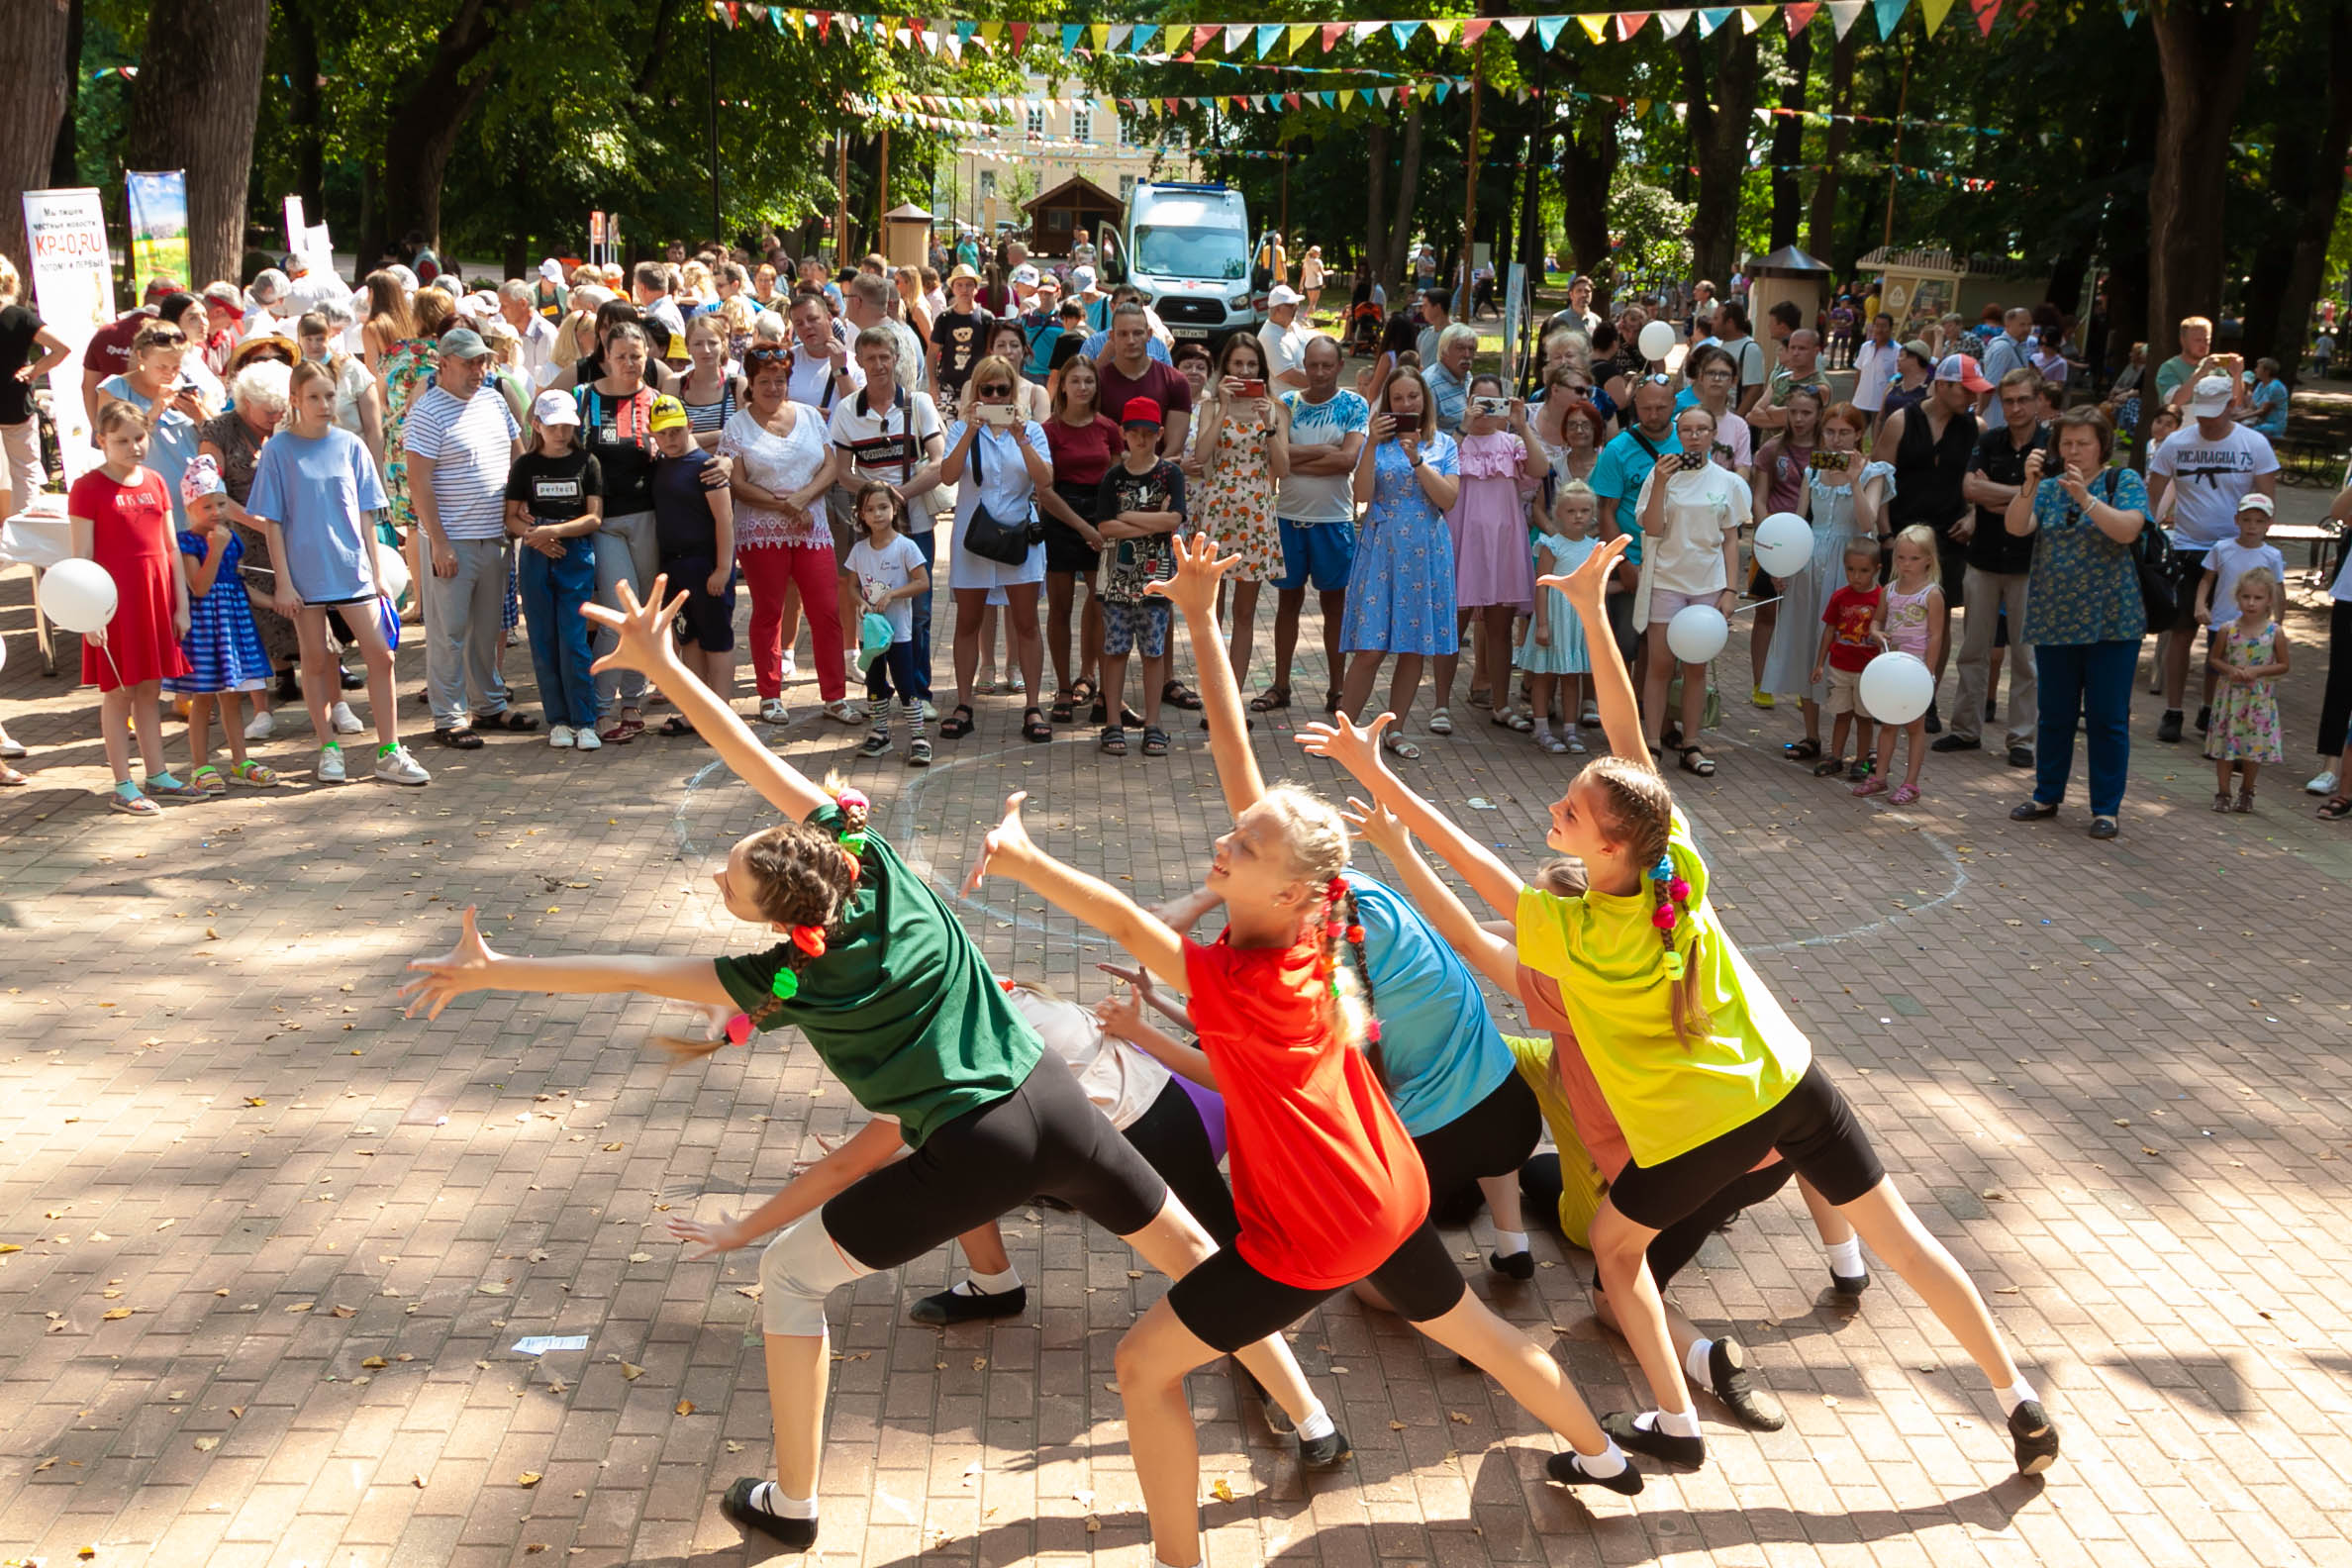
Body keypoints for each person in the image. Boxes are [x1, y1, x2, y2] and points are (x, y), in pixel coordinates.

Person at [403, 594, 1328, 1556]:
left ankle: (793, 1503)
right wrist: (669, 671)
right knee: (1194, 1259)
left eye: (732, 881)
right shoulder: (871, 863)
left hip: (979, 1147)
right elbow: (751, 763)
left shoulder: (776, 981)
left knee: (789, 1279)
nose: (721, 881)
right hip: (1056, 1097)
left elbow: (629, 972)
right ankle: (1312, 1420)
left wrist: (498, 972)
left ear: (775, 916)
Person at [1318, 539, 2063, 1481]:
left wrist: (1380, 785)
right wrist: (1593, 615)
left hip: (1702, 1131)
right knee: (1905, 1242)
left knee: (1617, 1264)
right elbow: (1632, 749)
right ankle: (2018, 1400)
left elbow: (1474, 881)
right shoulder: (1679, 872)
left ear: (1610, 847)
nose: (1556, 810)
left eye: (1572, 813)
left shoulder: (1570, 930)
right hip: (1792, 1083)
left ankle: (1677, 1420)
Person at [963, 543, 1642, 1568]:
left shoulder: (1241, 980)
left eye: (1242, 850)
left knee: (1144, 1366)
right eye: (1236, 837)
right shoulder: (1315, 924)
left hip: (1317, 1230)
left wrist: (1024, 859)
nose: (1225, 846)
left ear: (1285, 891)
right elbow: (1246, 785)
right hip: (1386, 1191)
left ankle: (1178, 1559)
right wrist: (1200, 617)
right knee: (1487, 1340)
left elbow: (1121, 918)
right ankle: (1601, 1456)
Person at [248, 358, 430, 786]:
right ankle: (328, 747)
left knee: (381, 654)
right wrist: (284, 580)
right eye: (313, 396)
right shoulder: (278, 450)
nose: (324, 404)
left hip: (353, 571)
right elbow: (272, 522)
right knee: (315, 660)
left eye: (329, 395)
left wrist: (378, 572)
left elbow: (367, 515)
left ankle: (389, 750)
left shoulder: (351, 445)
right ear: (294, 400)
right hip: (304, 573)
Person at [2005, 407, 2149, 840]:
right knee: (2054, 715)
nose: (2073, 451)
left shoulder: (2122, 482)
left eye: (2082, 443)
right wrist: (2029, 486)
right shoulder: (2048, 488)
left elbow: (2127, 530)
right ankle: (2047, 794)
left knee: (2107, 718)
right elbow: (2016, 527)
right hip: (2055, 618)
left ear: (2101, 445)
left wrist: (2086, 498)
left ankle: (2106, 808)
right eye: (2066, 443)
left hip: (2112, 621)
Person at [70, 401, 197, 815]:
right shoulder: (88, 488)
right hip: (112, 604)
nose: (132, 447)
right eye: (121, 440)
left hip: (155, 598)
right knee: (118, 692)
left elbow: (171, 547)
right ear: (102, 441)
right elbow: (82, 558)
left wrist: (181, 606)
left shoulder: (157, 481)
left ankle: (157, 773)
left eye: (138, 438)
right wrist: (90, 613)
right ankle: (122, 782)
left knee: (150, 688)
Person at [405, 327, 526, 749]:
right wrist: (438, 542)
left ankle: (489, 705)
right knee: (448, 631)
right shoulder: (427, 411)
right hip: (452, 538)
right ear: (445, 363)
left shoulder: (494, 400)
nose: (480, 369)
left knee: (487, 628)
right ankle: (449, 715)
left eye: (483, 361)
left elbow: (517, 453)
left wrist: (519, 505)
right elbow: (418, 481)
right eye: (471, 362)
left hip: (493, 536)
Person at [2146, 375, 2280, 741]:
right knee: (2181, 631)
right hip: (2188, 548)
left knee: (2225, 635)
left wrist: (2257, 546)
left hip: (2237, 553)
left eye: (2214, 414)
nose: (2206, 422)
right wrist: (2150, 534)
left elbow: (2267, 500)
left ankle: (2211, 708)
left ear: (2231, 405)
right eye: (2201, 415)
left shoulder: (2254, 444)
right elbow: (2153, 493)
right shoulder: (2176, 442)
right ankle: (2173, 710)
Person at [1337, 367, 1461, 757]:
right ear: (1387, 404)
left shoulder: (1443, 444)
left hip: (1426, 551)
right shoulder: (1376, 443)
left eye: (1413, 397)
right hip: (1381, 548)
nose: (1406, 404)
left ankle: (1395, 730)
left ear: (1425, 400)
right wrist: (1372, 444)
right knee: (1370, 648)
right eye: (1398, 398)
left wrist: (1418, 461)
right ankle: (1343, 732)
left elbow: (1448, 500)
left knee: (1413, 647)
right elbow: (1360, 495)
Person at [826, 329, 945, 715]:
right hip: (872, 522)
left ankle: (920, 694)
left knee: (920, 606)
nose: (878, 365)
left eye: (885, 357)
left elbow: (939, 462)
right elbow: (843, 472)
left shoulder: (919, 403)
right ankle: (880, 690)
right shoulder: (847, 411)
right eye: (870, 357)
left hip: (915, 517)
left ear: (896, 359)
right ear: (858, 361)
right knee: (874, 601)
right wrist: (876, 498)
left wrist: (900, 497)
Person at [1766, 403, 1889, 767]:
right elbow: (1800, 521)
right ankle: (1812, 735)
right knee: (1809, 643)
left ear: (1858, 435)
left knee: (1849, 646)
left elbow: (1868, 525)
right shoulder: (1813, 470)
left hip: (1851, 565)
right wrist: (1783, 564)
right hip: (1810, 564)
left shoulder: (1875, 472)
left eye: (1844, 433)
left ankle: (1856, 742)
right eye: (1830, 433)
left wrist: (1854, 479)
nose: (1836, 441)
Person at [723, 343, 839, 727]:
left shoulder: (808, 415)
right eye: (764, 381)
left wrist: (804, 498)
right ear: (750, 385)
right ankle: (769, 694)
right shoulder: (737, 425)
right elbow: (737, 484)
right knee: (769, 612)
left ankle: (835, 696)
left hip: (812, 526)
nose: (773, 388)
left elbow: (830, 466)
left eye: (779, 380)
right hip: (761, 532)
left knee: (826, 611)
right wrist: (783, 506)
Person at [936, 355, 1051, 743]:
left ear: (1015, 393)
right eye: (988, 390)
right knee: (968, 622)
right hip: (974, 540)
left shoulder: (1032, 430)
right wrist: (970, 431)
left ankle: (1033, 705)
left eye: (1004, 390)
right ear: (976, 392)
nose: (996, 395)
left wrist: (1020, 437)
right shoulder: (960, 429)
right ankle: (964, 702)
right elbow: (948, 475)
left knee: (1026, 623)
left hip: (1019, 538)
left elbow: (1046, 480)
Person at [1938, 367, 2047, 767]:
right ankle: (1965, 730)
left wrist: (1997, 497)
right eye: (2009, 400)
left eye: (2023, 399)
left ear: (2038, 401)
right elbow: (1969, 489)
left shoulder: (2050, 447)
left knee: (2025, 658)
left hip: (2029, 565)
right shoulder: (1988, 440)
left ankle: (2022, 741)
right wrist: (2021, 494)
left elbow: (2045, 500)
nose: (2015, 408)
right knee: (1972, 650)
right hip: (1983, 559)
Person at [1631, 404, 1748, 776]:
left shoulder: (1727, 482)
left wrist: (1730, 590)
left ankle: (1692, 743)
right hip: (1667, 579)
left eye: (1702, 429)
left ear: (1714, 434)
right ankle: (1651, 741)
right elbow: (1650, 528)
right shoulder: (1661, 474)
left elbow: (1731, 539)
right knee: (1660, 665)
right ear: (1677, 435)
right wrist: (1663, 483)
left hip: (1707, 586)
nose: (1694, 436)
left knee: (1696, 666)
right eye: (1687, 430)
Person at [1873, 354, 1988, 729]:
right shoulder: (1901, 420)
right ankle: (1885, 690)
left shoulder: (1976, 427)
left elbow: (1982, 484)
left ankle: (1927, 696)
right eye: (1966, 390)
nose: (1972, 398)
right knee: (1891, 615)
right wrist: (1885, 533)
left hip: (1948, 539)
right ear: (1943, 386)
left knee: (1938, 620)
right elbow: (1879, 480)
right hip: (1902, 535)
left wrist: (1974, 516)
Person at [1432, 376, 1546, 735]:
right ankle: (1440, 704)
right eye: (1479, 401)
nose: (1486, 410)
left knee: (1500, 628)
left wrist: (1522, 424)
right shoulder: (1453, 443)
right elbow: (1436, 470)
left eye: (1493, 402)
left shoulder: (1512, 442)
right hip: (1462, 541)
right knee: (1454, 625)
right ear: (1467, 403)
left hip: (1503, 544)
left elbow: (1541, 470)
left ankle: (1501, 703)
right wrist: (1463, 427)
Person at [1266, 337, 1369, 718]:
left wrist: (1293, 460)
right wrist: (1322, 452)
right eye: (1314, 365)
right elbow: (1274, 458)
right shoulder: (1287, 404)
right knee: (1286, 603)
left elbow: (1347, 460)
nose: (1320, 373)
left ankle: (1338, 689)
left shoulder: (1354, 405)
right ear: (1304, 365)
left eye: (1328, 365)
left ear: (1340, 365)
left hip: (1333, 520)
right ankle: (1280, 685)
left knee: (1335, 608)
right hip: (1288, 517)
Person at [165, 456, 280, 790]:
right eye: (207, 506)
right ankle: (200, 765)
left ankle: (239, 760)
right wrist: (215, 550)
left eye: (220, 503)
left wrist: (273, 602)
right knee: (203, 698)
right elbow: (198, 587)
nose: (216, 512)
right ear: (189, 508)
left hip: (234, 626)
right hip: (205, 629)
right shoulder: (187, 543)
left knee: (234, 695)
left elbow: (238, 583)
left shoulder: (232, 539)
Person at [1190, 332, 1289, 708]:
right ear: (1225, 368)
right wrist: (1225, 409)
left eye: (1251, 365)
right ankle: (1213, 698)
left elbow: (1283, 467)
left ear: (1261, 369)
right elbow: (1201, 455)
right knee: (1211, 613)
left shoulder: (1275, 408)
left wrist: (1268, 424)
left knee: (1244, 613)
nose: (1244, 371)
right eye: (1237, 364)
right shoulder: (1212, 406)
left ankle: (1232, 700)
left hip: (1256, 519)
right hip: (1217, 514)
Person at [504, 389, 605, 748]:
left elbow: (594, 516)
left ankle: (585, 719)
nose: (561, 433)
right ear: (537, 425)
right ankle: (558, 720)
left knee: (575, 639)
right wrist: (535, 536)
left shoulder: (586, 462)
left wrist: (554, 531)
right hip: (535, 554)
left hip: (574, 551)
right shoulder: (526, 466)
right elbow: (511, 517)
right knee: (544, 640)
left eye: (567, 425)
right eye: (553, 425)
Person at [1092, 398, 1187, 759]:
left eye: (1149, 434)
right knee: (1115, 650)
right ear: (1124, 434)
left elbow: (1174, 520)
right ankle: (1113, 720)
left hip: (1157, 579)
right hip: (1117, 580)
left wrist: (1128, 517)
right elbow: (1104, 525)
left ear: (1160, 434)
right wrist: (1151, 518)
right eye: (1135, 434)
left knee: (1153, 651)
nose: (1142, 441)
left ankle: (1153, 724)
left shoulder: (1170, 475)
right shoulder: (1113, 477)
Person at [1036, 354, 1118, 726]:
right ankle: (1064, 686)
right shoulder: (1047, 431)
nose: (1083, 387)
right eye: (1076, 381)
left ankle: (1097, 682)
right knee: (1060, 607)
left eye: (1089, 381)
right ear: (1063, 385)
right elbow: (1045, 490)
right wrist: (1082, 528)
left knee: (1101, 603)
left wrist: (1105, 525)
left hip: (1101, 517)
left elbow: (1119, 477)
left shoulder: (1107, 428)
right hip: (1061, 517)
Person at [648, 394, 736, 730]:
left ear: (690, 426)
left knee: (717, 638)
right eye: (663, 433)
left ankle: (722, 714)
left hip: (706, 566)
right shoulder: (659, 465)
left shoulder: (707, 467)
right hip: (674, 568)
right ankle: (697, 713)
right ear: (652, 434)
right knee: (690, 640)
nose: (670, 439)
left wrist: (724, 568)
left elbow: (724, 519)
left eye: (676, 431)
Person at [1853, 526, 1947, 805]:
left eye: (1914, 559)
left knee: (1916, 727)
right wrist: (1876, 632)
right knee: (1888, 724)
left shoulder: (1931, 594)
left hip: (1915, 671)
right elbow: (1877, 621)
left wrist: (1928, 672)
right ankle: (1879, 777)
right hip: (1891, 669)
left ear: (1929, 559)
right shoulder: (1889, 590)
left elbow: (1937, 635)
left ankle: (1911, 783)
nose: (1906, 564)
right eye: (1901, 558)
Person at [843, 480, 931, 764]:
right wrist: (861, 603)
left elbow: (922, 582)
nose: (877, 514)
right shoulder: (859, 551)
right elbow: (852, 587)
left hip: (900, 633)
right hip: (870, 634)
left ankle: (918, 736)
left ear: (894, 509)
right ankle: (880, 732)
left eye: (883, 507)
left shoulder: (906, 547)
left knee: (906, 682)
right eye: (870, 509)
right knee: (874, 681)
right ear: (861, 515)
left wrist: (893, 594)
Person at [1519, 481, 1599, 754]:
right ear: (1559, 513)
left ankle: (1570, 729)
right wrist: (1541, 624)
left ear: (1592, 514)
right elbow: (1542, 585)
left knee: (1571, 675)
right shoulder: (1551, 545)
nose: (1578, 516)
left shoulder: (1593, 547)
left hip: (1576, 622)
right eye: (1571, 511)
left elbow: (1594, 587)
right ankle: (1541, 729)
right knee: (1544, 674)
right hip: (1553, 618)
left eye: (1585, 511)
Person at [2203, 566, 2288, 813]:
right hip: (2231, 698)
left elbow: (2283, 665)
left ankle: (2247, 791)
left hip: (2258, 700)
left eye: (2258, 598)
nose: (2251, 603)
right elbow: (2214, 659)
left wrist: (2258, 671)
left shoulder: (2274, 632)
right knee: (2225, 746)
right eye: (2246, 597)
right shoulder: (2227, 629)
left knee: (2252, 748)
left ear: (2268, 600)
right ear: (2237, 597)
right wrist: (2229, 670)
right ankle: (2223, 791)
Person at [0, 254, 71, 511]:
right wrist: (35, 369)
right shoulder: (20, 317)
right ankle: (18, 534)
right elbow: (62, 348)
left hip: (13, 403)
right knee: (25, 471)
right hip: (13, 401)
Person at [1812, 539, 1887, 780]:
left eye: (1864, 571)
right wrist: (1820, 663)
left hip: (1869, 670)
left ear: (1877, 569)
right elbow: (1829, 630)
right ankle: (1835, 755)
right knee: (1841, 713)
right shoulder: (1839, 597)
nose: (1856, 576)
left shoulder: (1881, 599)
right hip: (1840, 666)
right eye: (1850, 569)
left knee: (1864, 717)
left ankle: (1862, 760)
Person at [1096, 304, 1192, 458]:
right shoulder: (1096, 382)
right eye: (1123, 334)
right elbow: (1093, 437)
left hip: (1159, 474)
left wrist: (1151, 470)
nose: (1131, 340)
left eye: (1137, 333)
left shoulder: (1175, 381)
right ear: (1112, 336)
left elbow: (1174, 444)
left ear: (1149, 335)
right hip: (1110, 473)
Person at [676, 314, 740, 451]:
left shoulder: (737, 385)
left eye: (712, 343)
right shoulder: (675, 385)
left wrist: (692, 440)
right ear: (687, 347)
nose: (706, 350)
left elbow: (744, 436)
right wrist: (722, 434)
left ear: (723, 344)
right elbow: (672, 440)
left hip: (729, 470)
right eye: (698, 344)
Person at [930, 265, 991, 408]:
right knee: (948, 429)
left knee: (977, 428)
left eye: (969, 285)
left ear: (976, 289)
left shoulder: (986, 318)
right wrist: (933, 384)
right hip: (947, 388)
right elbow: (932, 353)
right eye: (960, 285)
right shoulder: (944, 318)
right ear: (953, 288)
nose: (964, 289)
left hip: (978, 388)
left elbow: (991, 354)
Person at [1423, 324, 1477, 431]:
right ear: (1444, 352)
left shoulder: (1466, 375)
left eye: (1471, 349)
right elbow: (1424, 434)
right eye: (1460, 348)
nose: (1467, 355)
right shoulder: (1429, 384)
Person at [1257, 285, 1310, 391]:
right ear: (1277, 309)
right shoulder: (1269, 337)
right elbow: (1290, 376)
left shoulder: (1293, 326)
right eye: (1291, 305)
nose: (1296, 307)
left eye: (1296, 304)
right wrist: (1322, 383)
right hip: (1287, 403)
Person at [1851, 313, 1898, 428]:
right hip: (1860, 402)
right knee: (1855, 436)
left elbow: (1897, 380)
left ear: (1891, 328)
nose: (1879, 329)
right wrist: (1855, 395)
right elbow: (1859, 373)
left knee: (1878, 440)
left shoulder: (1898, 350)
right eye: (1877, 325)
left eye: (1883, 326)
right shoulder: (1865, 347)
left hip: (1881, 405)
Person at [2236, 356, 2290, 440]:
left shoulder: (2276, 387)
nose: (2255, 370)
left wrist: (2238, 418)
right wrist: (2234, 415)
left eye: (2258, 368)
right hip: (2260, 423)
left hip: (2273, 425)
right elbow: (2251, 408)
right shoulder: (2261, 385)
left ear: (2267, 371)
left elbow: (2262, 411)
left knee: (2242, 433)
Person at [1299, 245, 1325, 317]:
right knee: (1313, 303)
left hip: (1308, 284)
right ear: (1314, 253)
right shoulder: (1318, 261)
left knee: (1311, 302)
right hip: (1316, 283)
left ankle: (1311, 319)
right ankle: (1305, 317)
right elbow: (1323, 273)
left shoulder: (1306, 261)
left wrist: (1301, 285)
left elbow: (1303, 275)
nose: (1320, 254)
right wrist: (1331, 272)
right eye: (1318, 252)